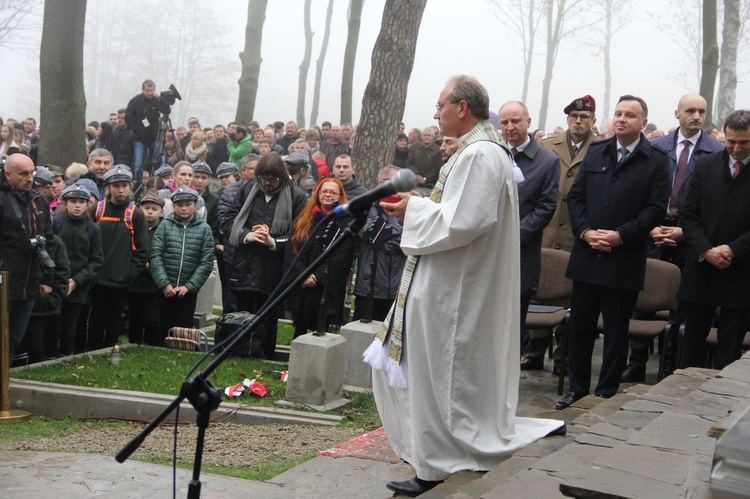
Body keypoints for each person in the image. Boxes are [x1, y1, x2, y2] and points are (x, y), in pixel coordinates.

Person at [364, 76, 563, 496]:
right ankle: (433, 456)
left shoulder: (479, 155)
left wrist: (412, 208)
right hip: (454, 277)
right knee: (437, 372)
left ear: (462, 107)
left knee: (441, 374)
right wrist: (417, 206)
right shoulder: (483, 150)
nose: (435, 115)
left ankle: (434, 467)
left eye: (440, 106)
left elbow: (466, 221)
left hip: (455, 287)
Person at [556, 95, 670, 410]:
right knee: (580, 327)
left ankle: (605, 392)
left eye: (630, 115)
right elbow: (576, 197)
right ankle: (577, 390)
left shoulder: (656, 159)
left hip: (623, 259)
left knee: (616, 331)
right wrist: (585, 231)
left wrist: (621, 236)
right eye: (618, 113)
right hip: (587, 255)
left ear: (643, 123)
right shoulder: (597, 152)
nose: (621, 119)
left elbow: (655, 209)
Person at [622, 93, 723, 382]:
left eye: (701, 111)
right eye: (690, 110)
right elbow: (639, 191)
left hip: (689, 235)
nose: (697, 116)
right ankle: (636, 361)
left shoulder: (715, 152)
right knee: (644, 295)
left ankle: (671, 365)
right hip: (652, 230)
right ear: (677, 113)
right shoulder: (656, 147)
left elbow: (714, 204)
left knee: (683, 302)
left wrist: (686, 232)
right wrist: (648, 226)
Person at [524, 94, 599, 374]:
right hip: (545, 228)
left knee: (570, 296)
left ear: (592, 120)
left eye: (584, 117)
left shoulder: (601, 148)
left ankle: (563, 354)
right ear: (567, 119)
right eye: (573, 117)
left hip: (577, 232)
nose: (578, 121)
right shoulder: (545, 145)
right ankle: (534, 350)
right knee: (539, 290)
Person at [678, 109, 750, 370]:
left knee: (729, 349)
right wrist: (706, 250)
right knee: (692, 345)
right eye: (731, 142)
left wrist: (733, 249)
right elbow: (689, 214)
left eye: (744, 143)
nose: (737, 148)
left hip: (741, 272)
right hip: (702, 269)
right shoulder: (707, 165)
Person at [222, 152, 307, 358]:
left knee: (268, 316)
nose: (267, 184)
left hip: (273, 268)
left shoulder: (296, 196)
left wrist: (273, 242)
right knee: (242, 312)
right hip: (245, 263)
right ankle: (240, 352)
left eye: (273, 180)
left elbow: (300, 234)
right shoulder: (248, 189)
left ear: (282, 176)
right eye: (263, 179)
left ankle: (264, 354)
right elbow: (228, 221)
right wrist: (247, 235)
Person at [498, 100, 560, 365]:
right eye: (504, 122)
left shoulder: (547, 161)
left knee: (513, 323)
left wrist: (510, 236)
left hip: (521, 254)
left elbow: (545, 209)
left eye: (515, 121)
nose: (510, 127)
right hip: (489, 252)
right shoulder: (495, 154)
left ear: (528, 122)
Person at [87, 166, 150, 351]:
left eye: (124, 186)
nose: (121, 190)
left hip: (121, 281)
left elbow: (142, 249)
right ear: (109, 187)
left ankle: (110, 351)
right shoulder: (96, 209)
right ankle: (92, 352)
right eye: (116, 186)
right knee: (96, 318)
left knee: (114, 320)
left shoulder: (135, 214)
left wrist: (129, 274)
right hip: (97, 279)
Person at [0, 153, 54, 362]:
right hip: (5, 281)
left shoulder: (38, 200)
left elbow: (48, 239)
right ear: (8, 174)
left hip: (30, 282)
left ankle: (5, 384)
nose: (30, 178)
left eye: (31, 173)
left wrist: (47, 278)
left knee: (14, 339)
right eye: (23, 174)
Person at [288, 178, 353, 337]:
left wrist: (317, 277)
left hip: (325, 283)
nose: (328, 195)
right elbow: (293, 248)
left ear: (339, 196)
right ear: (318, 194)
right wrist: (303, 274)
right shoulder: (306, 218)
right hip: (303, 281)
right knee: (301, 326)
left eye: (333, 192)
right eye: (324, 191)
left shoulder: (345, 222)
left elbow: (343, 254)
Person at [150, 186, 214, 340]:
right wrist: (164, 283)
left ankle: (182, 352)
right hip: (166, 287)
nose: (184, 208)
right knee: (164, 324)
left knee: (184, 325)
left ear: (195, 205)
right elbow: (155, 255)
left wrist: (190, 286)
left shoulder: (204, 229)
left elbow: (206, 262)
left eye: (188, 204)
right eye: (179, 205)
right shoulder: (165, 226)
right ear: (173, 206)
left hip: (187, 289)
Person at [53, 184, 103, 355]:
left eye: (81, 202)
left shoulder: (93, 229)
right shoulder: (57, 224)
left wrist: (76, 281)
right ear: (64, 203)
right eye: (73, 201)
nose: (77, 205)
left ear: (87, 204)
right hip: (55, 283)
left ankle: (65, 357)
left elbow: (96, 260)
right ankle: (48, 358)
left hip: (79, 286)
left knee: (70, 328)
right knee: (53, 325)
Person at [352, 165, 406, 322]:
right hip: (369, 287)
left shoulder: (408, 209)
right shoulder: (365, 205)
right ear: (382, 183)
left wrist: (387, 237)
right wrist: (395, 237)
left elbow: (409, 241)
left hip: (397, 289)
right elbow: (370, 236)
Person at [128, 193, 164, 346]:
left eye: (154, 209)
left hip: (153, 283)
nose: (150, 212)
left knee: (152, 318)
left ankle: (152, 344)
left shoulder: (163, 229)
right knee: (134, 316)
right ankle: (133, 342)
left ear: (161, 212)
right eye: (146, 208)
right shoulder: (133, 227)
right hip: (134, 281)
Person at [125, 80, 160, 182]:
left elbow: (167, 110)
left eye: (152, 90)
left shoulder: (156, 100)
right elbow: (128, 117)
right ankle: (137, 184)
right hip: (139, 137)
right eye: (147, 90)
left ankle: (156, 182)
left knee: (158, 160)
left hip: (154, 136)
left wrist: (160, 99)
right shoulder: (135, 101)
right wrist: (136, 129)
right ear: (143, 89)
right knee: (138, 164)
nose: (150, 93)